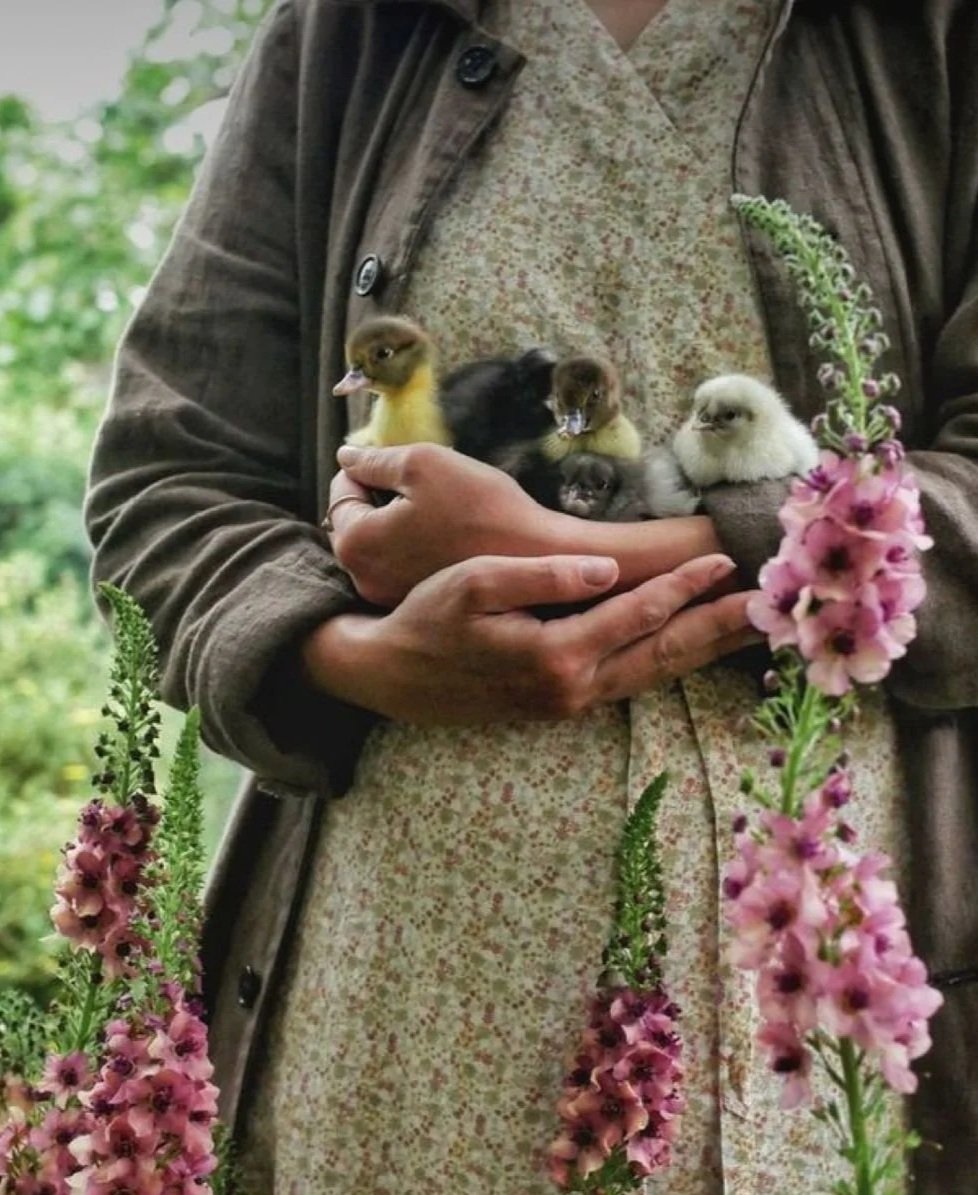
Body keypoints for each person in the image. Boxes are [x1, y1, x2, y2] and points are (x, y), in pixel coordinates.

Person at [84, 0, 978, 1190]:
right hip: (401, 1018)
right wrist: (347, 654)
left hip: (827, 1022)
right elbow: (173, 471)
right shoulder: (354, 32)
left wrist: (590, 549)